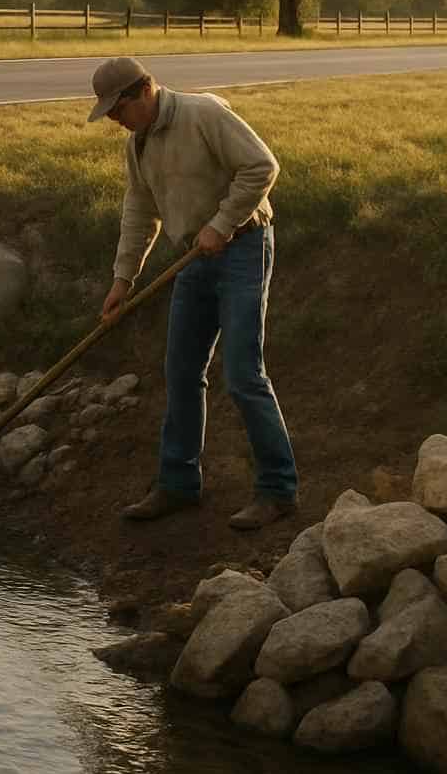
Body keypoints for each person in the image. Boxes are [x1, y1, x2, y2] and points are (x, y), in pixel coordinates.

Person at [88, 56, 298, 531]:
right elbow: (140, 210)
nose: (114, 121)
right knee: (181, 370)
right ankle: (179, 483)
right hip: (194, 258)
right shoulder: (137, 144)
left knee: (244, 373)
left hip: (244, 246)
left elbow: (262, 166)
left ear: (143, 92)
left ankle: (277, 490)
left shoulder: (204, 114)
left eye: (117, 110)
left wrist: (222, 224)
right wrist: (123, 280)